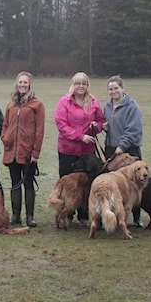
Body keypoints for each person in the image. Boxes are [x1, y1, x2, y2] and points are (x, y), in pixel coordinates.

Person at [55, 72, 106, 223]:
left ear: (87, 86)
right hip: (67, 149)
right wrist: (80, 136)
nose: (81, 86)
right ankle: (67, 214)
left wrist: (96, 127)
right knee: (68, 183)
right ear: (73, 85)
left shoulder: (94, 102)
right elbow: (61, 124)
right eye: (78, 83)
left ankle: (84, 215)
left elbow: (100, 122)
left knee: (86, 184)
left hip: (87, 153)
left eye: (84, 84)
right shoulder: (64, 102)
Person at [1, 71, 46, 227]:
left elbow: (39, 130)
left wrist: (35, 152)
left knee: (28, 183)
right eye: (20, 82)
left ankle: (30, 217)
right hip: (11, 150)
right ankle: (15, 215)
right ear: (17, 84)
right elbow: (5, 124)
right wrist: (5, 137)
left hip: (28, 152)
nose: (22, 85)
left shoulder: (37, 105)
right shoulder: (11, 104)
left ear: (30, 85)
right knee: (15, 183)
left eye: (25, 82)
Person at [102, 75, 145, 226]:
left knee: (134, 183)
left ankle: (136, 216)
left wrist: (122, 146)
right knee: (115, 184)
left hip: (128, 150)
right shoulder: (107, 105)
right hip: (112, 149)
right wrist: (104, 127)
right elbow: (107, 123)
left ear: (122, 88)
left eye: (116, 88)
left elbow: (133, 130)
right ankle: (113, 215)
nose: (113, 92)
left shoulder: (132, 106)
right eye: (110, 89)